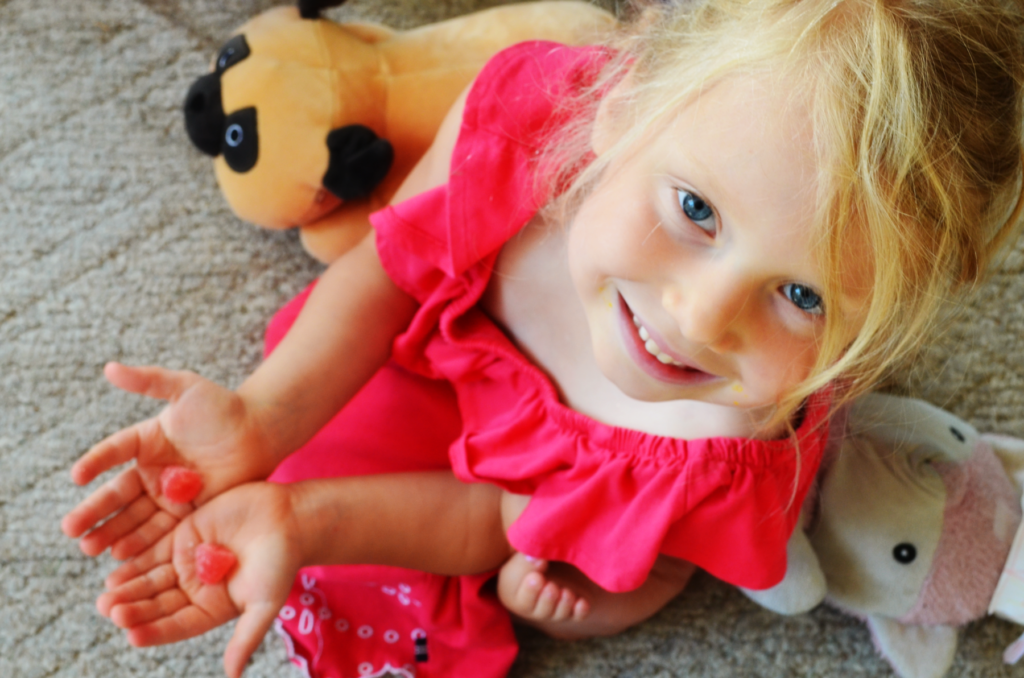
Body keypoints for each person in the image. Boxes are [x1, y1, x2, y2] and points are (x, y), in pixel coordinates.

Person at [62, 1, 1024, 677]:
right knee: (310, 402)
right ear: (622, 108)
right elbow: (391, 269)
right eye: (694, 208)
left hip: (528, 488)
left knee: (385, 569)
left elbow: (541, 528)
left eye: (804, 296)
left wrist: (311, 517)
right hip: (443, 353)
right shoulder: (523, 127)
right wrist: (265, 417)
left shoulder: (724, 446)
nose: (696, 320)